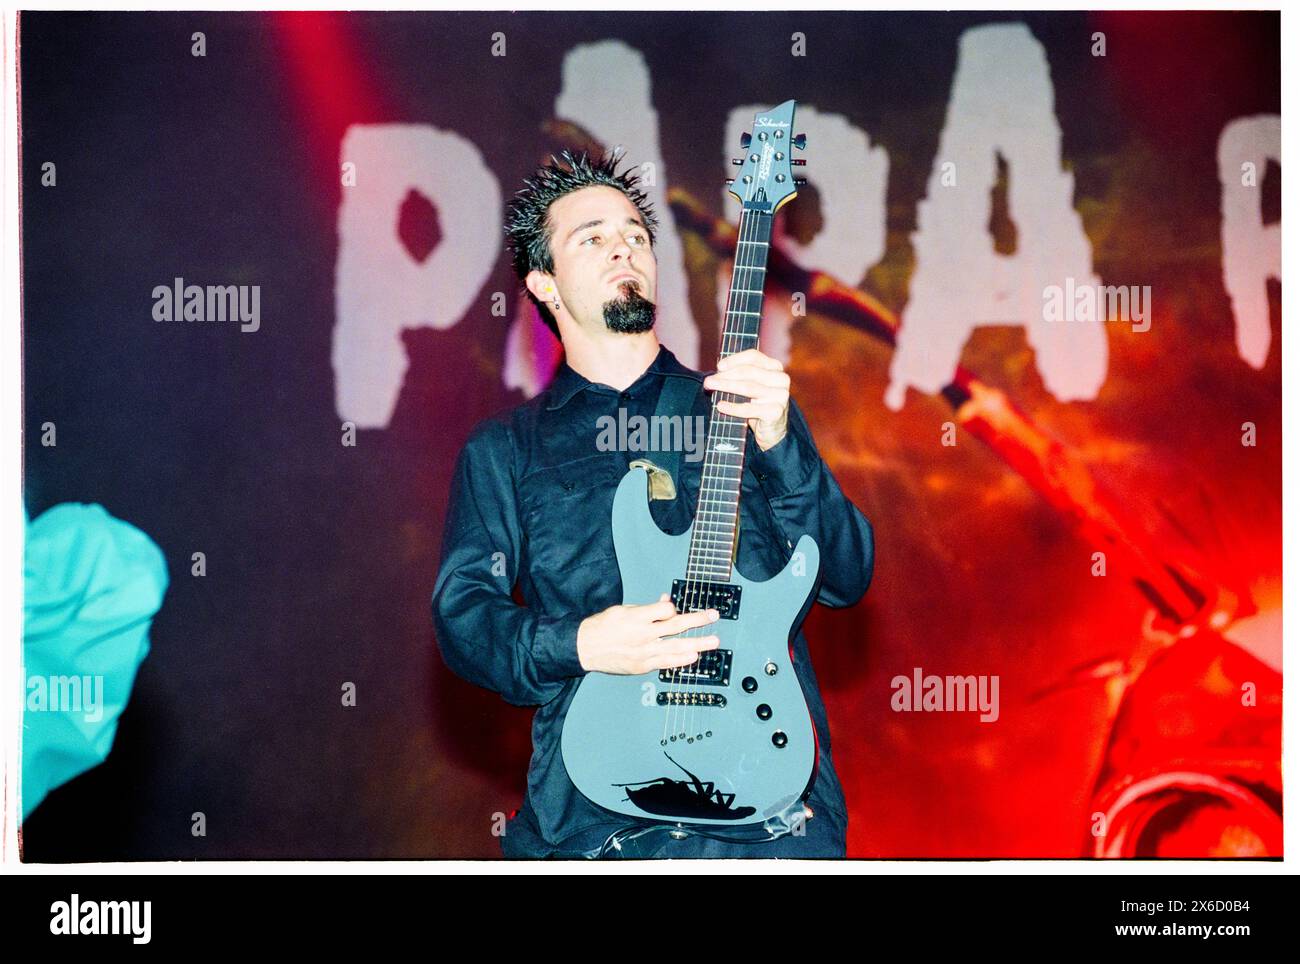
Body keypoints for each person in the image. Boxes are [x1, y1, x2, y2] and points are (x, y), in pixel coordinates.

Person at [432, 148, 875, 858]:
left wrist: (782, 442)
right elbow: (464, 618)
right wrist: (580, 642)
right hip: (592, 827)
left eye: (637, 235)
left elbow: (847, 577)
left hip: (768, 823)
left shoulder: (746, 408)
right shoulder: (506, 450)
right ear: (544, 283)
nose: (625, 249)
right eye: (594, 237)